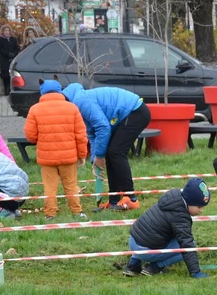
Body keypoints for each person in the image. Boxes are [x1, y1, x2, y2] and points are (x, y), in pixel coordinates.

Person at [61, 83, 151, 211]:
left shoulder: (81, 101)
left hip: (135, 112)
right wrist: (95, 160)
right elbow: (92, 133)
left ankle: (131, 199)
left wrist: (100, 155)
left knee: (116, 152)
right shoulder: (77, 103)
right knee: (110, 153)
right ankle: (114, 200)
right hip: (126, 115)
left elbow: (103, 127)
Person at [24, 80, 89, 220]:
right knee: (71, 185)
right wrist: (82, 154)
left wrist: (39, 139)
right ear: (60, 91)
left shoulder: (35, 109)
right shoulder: (72, 108)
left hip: (46, 158)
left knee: (50, 187)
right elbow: (81, 135)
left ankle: (50, 214)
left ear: (42, 91)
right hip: (69, 156)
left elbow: (30, 135)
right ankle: (77, 212)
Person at [123, 178, 211, 278]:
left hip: (133, 241)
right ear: (189, 202)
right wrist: (196, 272)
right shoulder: (180, 217)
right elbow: (187, 244)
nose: (202, 210)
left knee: (151, 235)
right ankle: (155, 267)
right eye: (199, 207)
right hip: (146, 250)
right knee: (190, 245)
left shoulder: (173, 197)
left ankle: (133, 265)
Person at [0, 26, 20, 96]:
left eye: (8, 30)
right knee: (5, 75)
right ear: (2, 32)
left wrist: (13, 54)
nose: (7, 32)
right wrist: (8, 54)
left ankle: (11, 89)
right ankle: (6, 90)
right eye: (5, 30)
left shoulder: (14, 39)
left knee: (11, 75)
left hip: (13, 59)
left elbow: (17, 48)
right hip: (4, 59)